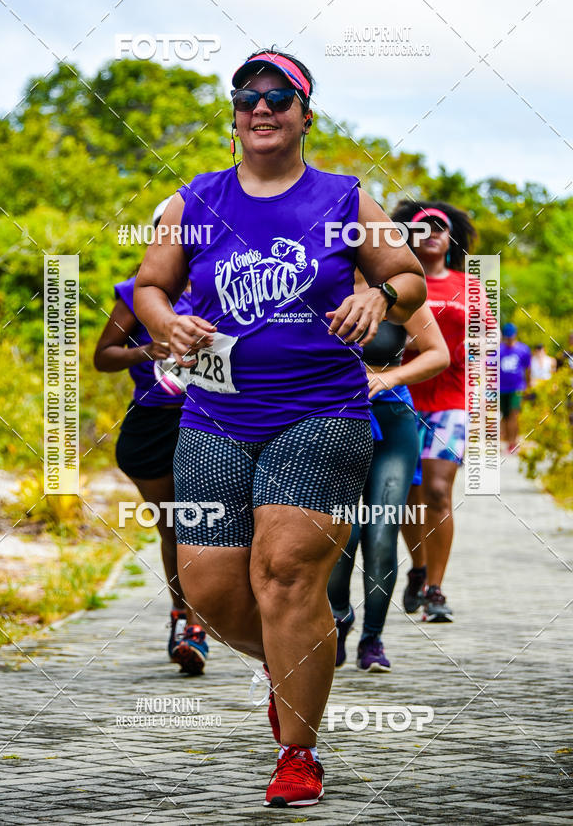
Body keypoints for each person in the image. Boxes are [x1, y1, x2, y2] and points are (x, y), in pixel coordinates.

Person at [134, 49, 427, 807]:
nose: (260, 107)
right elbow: (149, 287)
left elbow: (409, 275)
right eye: (246, 96)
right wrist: (168, 324)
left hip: (319, 411)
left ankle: (298, 750)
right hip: (212, 415)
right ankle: (298, 662)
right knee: (210, 588)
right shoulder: (191, 202)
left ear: (304, 113)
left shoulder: (343, 197)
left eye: (277, 95)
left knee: (288, 573)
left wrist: (381, 297)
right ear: (234, 116)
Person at [93, 199, 208, 675]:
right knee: (176, 529)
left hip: (213, 419)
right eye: (167, 229)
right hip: (152, 424)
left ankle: (203, 627)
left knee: (210, 527)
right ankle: (183, 617)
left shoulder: (221, 283)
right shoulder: (134, 291)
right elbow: (104, 356)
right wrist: (147, 349)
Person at [327, 269, 449, 672]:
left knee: (381, 532)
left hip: (392, 417)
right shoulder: (313, 278)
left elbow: (438, 352)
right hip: (329, 419)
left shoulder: (397, 291)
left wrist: (391, 376)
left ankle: (373, 639)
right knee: (343, 532)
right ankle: (338, 618)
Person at [392, 201, 477, 624]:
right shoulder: (394, 283)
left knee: (438, 492)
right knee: (409, 496)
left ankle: (435, 590)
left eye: (441, 227)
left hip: (452, 401)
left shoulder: (471, 286)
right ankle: (419, 567)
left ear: (451, 236)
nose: (432, 234)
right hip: (402, 398)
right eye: (422, 228)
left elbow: (485, 347)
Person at [499, 323, 531, 454]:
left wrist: (528, 385)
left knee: (514, 414)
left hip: (517, 387)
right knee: (505, 416)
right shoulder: (498, 350)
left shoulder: (523, 350)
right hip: (501, 388)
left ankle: (513, 442)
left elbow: (527, 369)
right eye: (507, 337)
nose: (509, 340)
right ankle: (505, 441)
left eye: (510, 337)